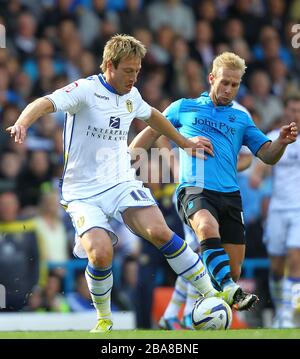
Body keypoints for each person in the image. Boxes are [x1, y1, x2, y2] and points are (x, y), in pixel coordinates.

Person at [7, 34, 223, 333]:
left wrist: (184, 143)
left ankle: (212, 295)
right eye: (128, 71)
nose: (133, 78)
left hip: (120, 181)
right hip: (81, 191)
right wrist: (22, 123)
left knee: (160, 231)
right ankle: (104, 318)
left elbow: (155, 117)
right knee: (100, 252)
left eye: (137, 71)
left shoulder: (131, 96)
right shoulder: (84, 90)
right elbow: (44, 103)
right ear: (109, 65)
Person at [130, 51, 298, 313]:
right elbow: (152, 130)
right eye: (224, 82)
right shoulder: (184, 107)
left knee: (230, 270)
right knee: (206, 228)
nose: (228, 89)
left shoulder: (241, 119)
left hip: (230, 195)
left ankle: (200, 311)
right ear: (211, 78)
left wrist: (281, 142)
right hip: (194, 188)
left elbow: (266, 155)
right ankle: (222, 295)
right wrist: (126, 159)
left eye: (234, 85)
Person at [250, 94, 300, 328]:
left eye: (299, 110)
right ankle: (282, 310)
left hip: (298, 210)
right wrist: (257, 176)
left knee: (295, 258)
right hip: (278, 210)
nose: (296, 115)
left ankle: (290, 316)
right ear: (285, 111)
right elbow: (260, 167)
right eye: (292, 109)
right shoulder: (274, 138)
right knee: (277, 266)